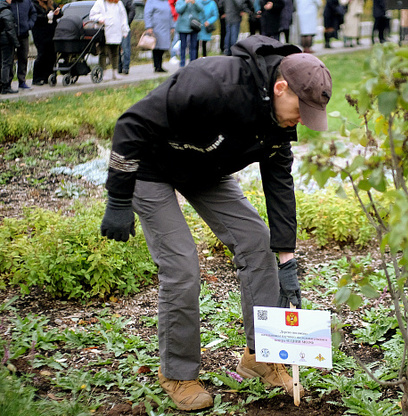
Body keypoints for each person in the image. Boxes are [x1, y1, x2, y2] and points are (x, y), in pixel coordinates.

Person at [99, 34, 332, 411]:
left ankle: (261, 355)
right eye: (300, 110)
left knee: (256, 240)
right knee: (182, 266)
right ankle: (177, 373)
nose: (301, 122)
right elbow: (130, 125)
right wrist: (119, 197)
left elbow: (279, 181)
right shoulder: (212, 83)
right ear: (280, 86)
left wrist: (287, 257)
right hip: (152, 168)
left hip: (206, 169)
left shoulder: (280, 120)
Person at [90, 0, 130, 80]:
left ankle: (115, 72)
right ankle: (103, 73)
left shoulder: (118, 3)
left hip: (116, 31)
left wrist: (125, 30)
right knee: (103, 53)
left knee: (115, 53)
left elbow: (123, 17)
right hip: (104, 31)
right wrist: (100, 19)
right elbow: (92, 15)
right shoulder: (100, 3)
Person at [31, 0, 61, 86]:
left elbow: (60, 12)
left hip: (51, 32)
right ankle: (37, 78)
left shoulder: (51, 3)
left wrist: (57, 13)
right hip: (40, 33)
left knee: (52, 55)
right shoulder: (34, 4)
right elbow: (34, 17)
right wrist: (46, 16)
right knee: (42, 54)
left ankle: (48, 76)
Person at [9, 0, 36, 90]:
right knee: (9, 59)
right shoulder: (8, 2)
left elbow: (33, 13)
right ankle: (7, 82)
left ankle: (22, 81)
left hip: (24, 34)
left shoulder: (27, 2)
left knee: (23, 57)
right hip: (10, 35)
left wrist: (29, 25)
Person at [144, 0, 175, 72]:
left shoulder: (166, 2)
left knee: (162, 47)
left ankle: (160, 65)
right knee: (156, 47)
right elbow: (147, 14)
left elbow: (170, 14)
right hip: (156, 28)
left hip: (165, 28)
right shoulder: (151, 1)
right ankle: (157, 66)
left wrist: (172, 26)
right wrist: (149, 26)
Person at [175, 0, 202, 66]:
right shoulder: (180, 1)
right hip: (182, 27)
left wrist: (194, 3)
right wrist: (185, 3)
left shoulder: (196, 1)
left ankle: (192, 63)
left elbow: (201, 9)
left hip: (193, 26)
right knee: (183, 46)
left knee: (193, 46)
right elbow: (178, 10)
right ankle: (182, 63)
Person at [1, 0, 19, 94]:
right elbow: (10, 29)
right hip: (6, 41)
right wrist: (16, 43)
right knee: (7, 63)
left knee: (2, 62)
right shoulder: (6, 11)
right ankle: (5, 85)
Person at [117, 0, 135, 75]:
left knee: (125, 48)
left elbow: (132, 11)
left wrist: (126, 23)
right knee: (116, 49)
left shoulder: (126, 1)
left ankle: (126, 67)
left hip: (125, 28)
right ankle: (119, 67)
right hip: (115, 28)